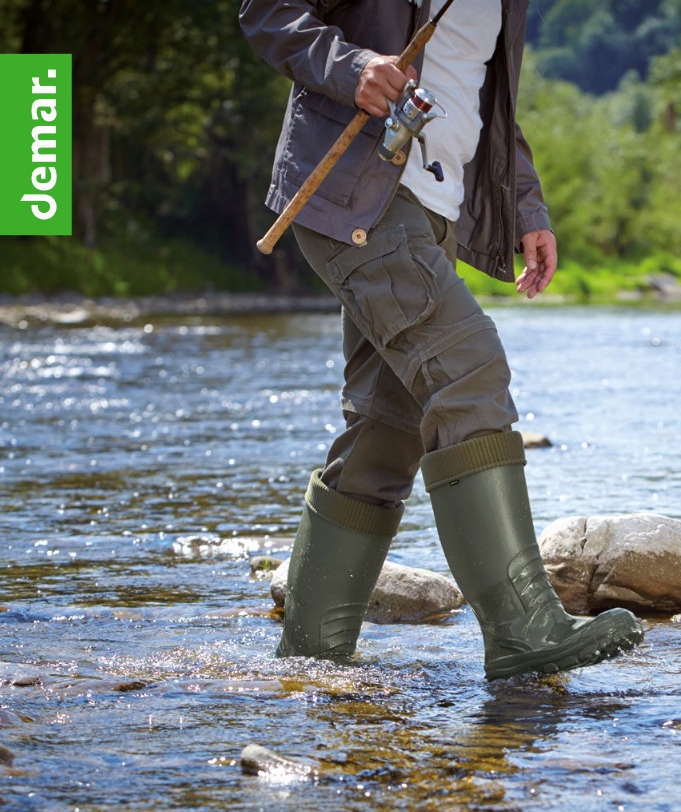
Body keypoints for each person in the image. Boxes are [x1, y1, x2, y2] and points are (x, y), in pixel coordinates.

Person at [239, 0, 643, 680]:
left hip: (436, 210)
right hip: (353, 195)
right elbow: (267, 12)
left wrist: (526, 206)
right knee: (468, 371)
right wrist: (353, 65)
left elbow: (485, 96)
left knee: (386, 429)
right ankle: (522, 630)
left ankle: (311, 663)